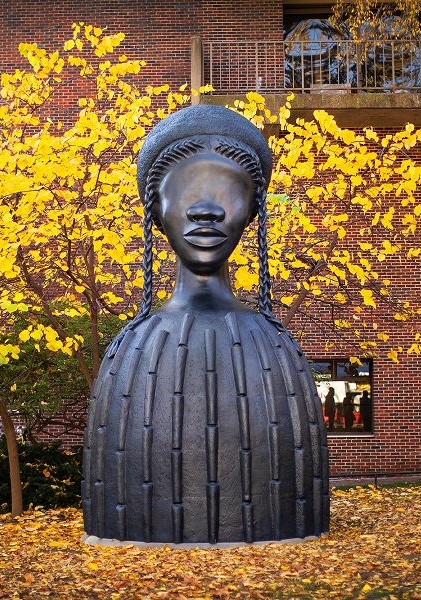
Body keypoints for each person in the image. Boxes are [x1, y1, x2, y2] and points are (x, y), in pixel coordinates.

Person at [82, 105, 329, 545]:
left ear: (253, 210)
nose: (207, 210)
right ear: (155, 208)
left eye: (227, 190)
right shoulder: (131, 349)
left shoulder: (275, 347)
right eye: (189, 190)